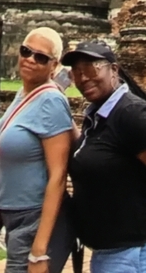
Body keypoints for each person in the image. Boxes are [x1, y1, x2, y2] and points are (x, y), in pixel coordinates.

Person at [0, 27, 74, 273]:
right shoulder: (24, 92)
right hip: (11, 215)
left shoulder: (52, 102)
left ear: (54, 65)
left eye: (41, 57)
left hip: (33, 217)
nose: (30, 59)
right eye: (26, 51)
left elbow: (58, 175)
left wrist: (39, 249)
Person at [64, 40, 146, 273]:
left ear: (114, 70)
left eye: (91, 69)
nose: (83, 78)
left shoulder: (131, 113)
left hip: (129, 252)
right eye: (77, 73)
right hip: (109, 252)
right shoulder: (98, 117)